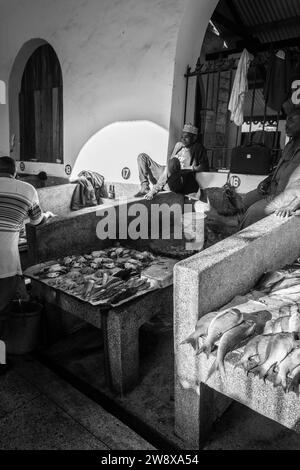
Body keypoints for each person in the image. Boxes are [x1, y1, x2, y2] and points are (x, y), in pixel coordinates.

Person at [0, 157, 54, 366]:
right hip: (5, 263)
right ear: (14, 173)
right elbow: (37, 221)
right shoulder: (27, 190)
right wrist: (47, 215)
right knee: (2, 314)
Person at [240, 108, 300, 228]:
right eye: (287, 120)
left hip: (286, 196)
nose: (286, 125)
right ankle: (241, 228)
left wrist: (291, 205)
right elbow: (279, 169)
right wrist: (267, 181)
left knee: (253, 212)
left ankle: (240, 241)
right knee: (245, 200)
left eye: (292, 121)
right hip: (272, 189)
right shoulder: (290, 145)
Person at [134, 123, 209, 200]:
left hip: (179, 180)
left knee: (173, 162)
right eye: (182, 137)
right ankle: (144, 187)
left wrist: (189, 169)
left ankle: (155, 189)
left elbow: (205, 167)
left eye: (186, 137)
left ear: (194, 138)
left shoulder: (198, 148)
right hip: (167, 175)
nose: (183, 139)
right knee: (142, 157)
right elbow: (170, 165)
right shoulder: (179, 145)